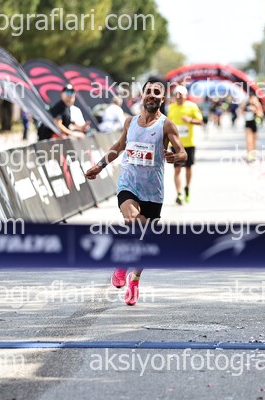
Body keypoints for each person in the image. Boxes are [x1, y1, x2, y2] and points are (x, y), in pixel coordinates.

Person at [84, 80, 187, 306]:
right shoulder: (130, 122)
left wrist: (175, 157)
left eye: (157, 92)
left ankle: (135, 280)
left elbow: (183, 153)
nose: (152, 95)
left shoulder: (167, 125)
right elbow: (119, 146)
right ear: (143, 95)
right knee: (132, 222)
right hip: (128, 184)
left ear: (162, 99)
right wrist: (99, 166)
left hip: (153, 191)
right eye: (149, 91)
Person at [167, 85, 203, 204]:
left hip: (189, 143)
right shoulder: (171, 107)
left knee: (188, 168)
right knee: (177, 169)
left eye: (181, 95)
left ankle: (187, 188)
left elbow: (200, 122)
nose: (178, 97)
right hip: (176, 144)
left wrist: (190, 120)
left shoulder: (192, 106)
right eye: (176, 94)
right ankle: (179, 193)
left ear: (185, 96)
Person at [239, 93, 264, 163]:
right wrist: (243, 107)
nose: (251, 99)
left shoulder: (257, 105)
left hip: (255, 124)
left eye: (253, 98)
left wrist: (255, 109)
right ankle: (249, 155)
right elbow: (241, 112)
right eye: (250, 98)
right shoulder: (246, 104)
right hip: (248, 124)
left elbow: (261, 114)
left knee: (254, 140)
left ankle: (253, 155)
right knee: (249, 140)